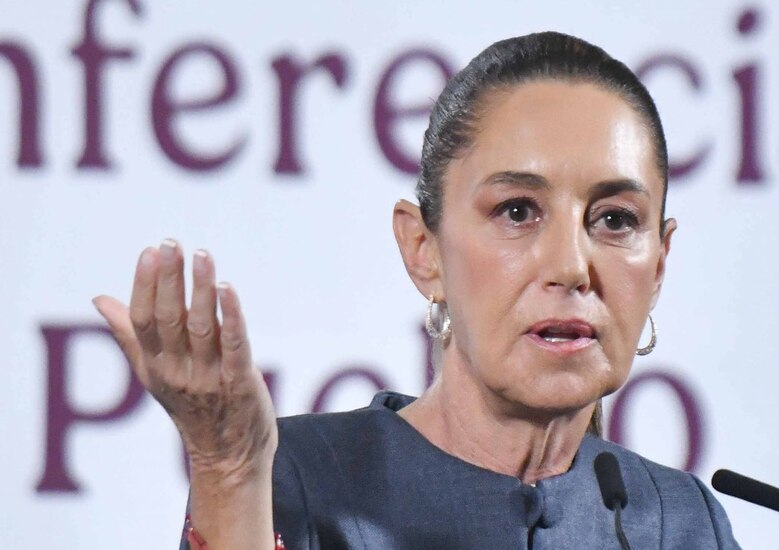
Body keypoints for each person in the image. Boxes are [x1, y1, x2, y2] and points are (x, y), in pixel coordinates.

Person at [93, 31, 741, 549]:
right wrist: (230, 471)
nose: (572, 265)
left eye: (616, 220)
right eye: (517, 211)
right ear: (422, 250)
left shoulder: (680, 522)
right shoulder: (297, 477)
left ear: (658, 266)